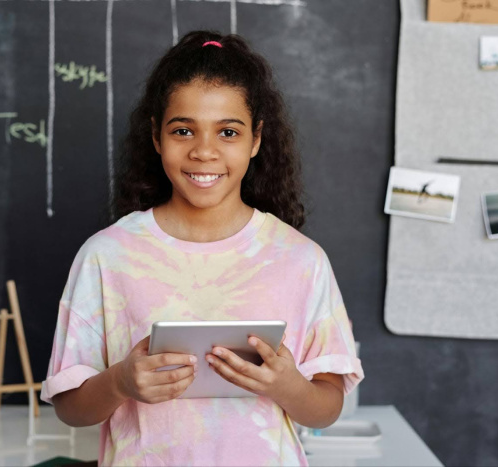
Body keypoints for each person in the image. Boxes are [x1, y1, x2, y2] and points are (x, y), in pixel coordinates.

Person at [41, 30, 364, 466]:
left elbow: (327, 408)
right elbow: (70, 409)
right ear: (156, 137)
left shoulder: (301, 261)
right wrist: (120, 383)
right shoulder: (107, 256)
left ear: (256, 139)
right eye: (183, 130)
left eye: (228, 131)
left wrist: (287, 385)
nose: (204, 152)